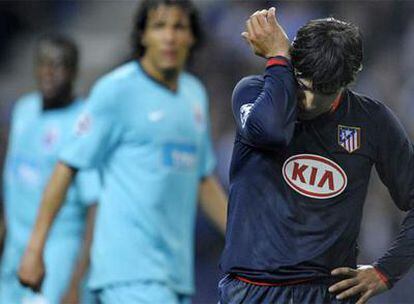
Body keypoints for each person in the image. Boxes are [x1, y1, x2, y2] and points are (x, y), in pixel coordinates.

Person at [18, 1, 227, 303]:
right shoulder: (116, 90)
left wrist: (242, 237)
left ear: (192, 36)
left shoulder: (194, 95)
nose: (169, 36)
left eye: (178, 26)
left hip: (176, 274)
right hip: (128, 272)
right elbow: (67, 166)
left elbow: (203, 179)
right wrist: (35, 249)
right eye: (159, 26)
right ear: (143, 35)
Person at [219, 7, 414, 304]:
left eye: (321, 91)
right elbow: (272, 131)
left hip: (326, 293)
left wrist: (387, 271)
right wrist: (278, 59)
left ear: (347, 82)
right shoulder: (252, 95)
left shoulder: (372, 122)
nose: (307, 101)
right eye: (301, 84)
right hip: (250, 289)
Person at [0, 35, 99, 304]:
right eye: (43, 63)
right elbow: (13, 182)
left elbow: (95, 207)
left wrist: (76, 283)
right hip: (13, 253)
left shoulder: (83, 122)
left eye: (59, 65)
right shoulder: (23, 109)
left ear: (75, 72)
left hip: (57, 252)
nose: (49, 72)